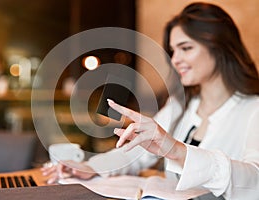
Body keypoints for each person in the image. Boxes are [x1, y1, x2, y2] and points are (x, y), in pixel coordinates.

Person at [41, 2, 259, 199]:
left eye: (186, 48)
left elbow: (255, 182)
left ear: (220, 46)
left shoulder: (253, 109)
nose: (175, 60)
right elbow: (138, 153)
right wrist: (89, 167)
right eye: (172, 51)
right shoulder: (179, 106)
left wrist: (177, 151)